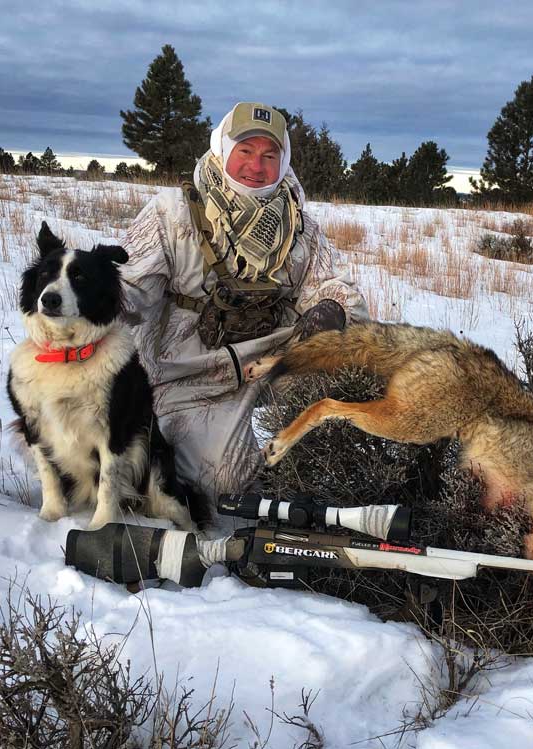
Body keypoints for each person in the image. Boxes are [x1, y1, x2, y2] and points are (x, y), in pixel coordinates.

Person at [120, 102, 368, 526]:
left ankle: (317, 487)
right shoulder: (171, 213)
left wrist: (332, 311)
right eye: (245, 151)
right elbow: (131, 289)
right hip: (189, 375)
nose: (257, 166)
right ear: (221, 149)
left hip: (273, 361)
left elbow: (336, 288)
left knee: (349, 398)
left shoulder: (300, 225)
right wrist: (88, 298)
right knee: (220, 486)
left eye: (270, 155)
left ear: (283, 159)